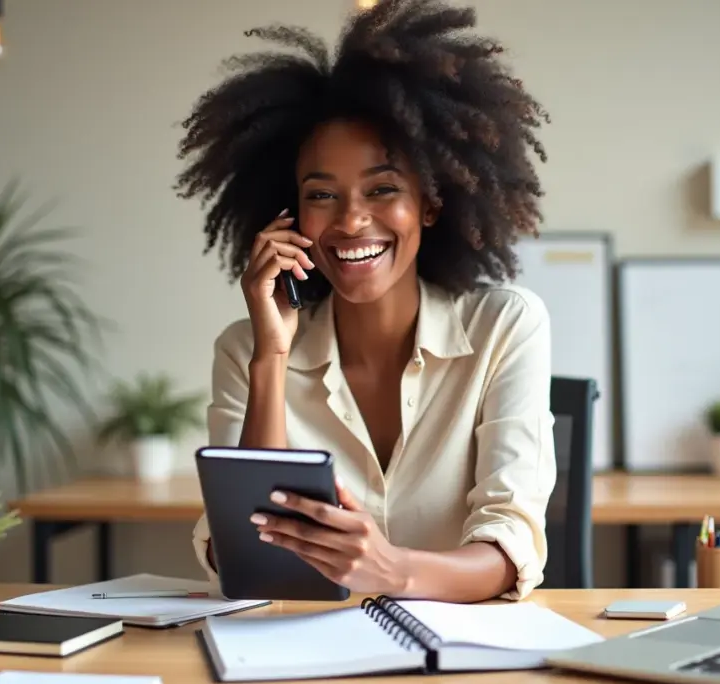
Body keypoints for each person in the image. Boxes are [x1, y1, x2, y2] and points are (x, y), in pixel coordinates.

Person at [175, 0, 555, 603]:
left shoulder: (504, 326)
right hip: (302, 660)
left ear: (430, 203)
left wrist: (391, 570)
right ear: (290, 214)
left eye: (382, 189)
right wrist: (271, 360)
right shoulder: (246, 348)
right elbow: (242, 558)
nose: (351, 221)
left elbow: (509, 546)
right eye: (321, 195)